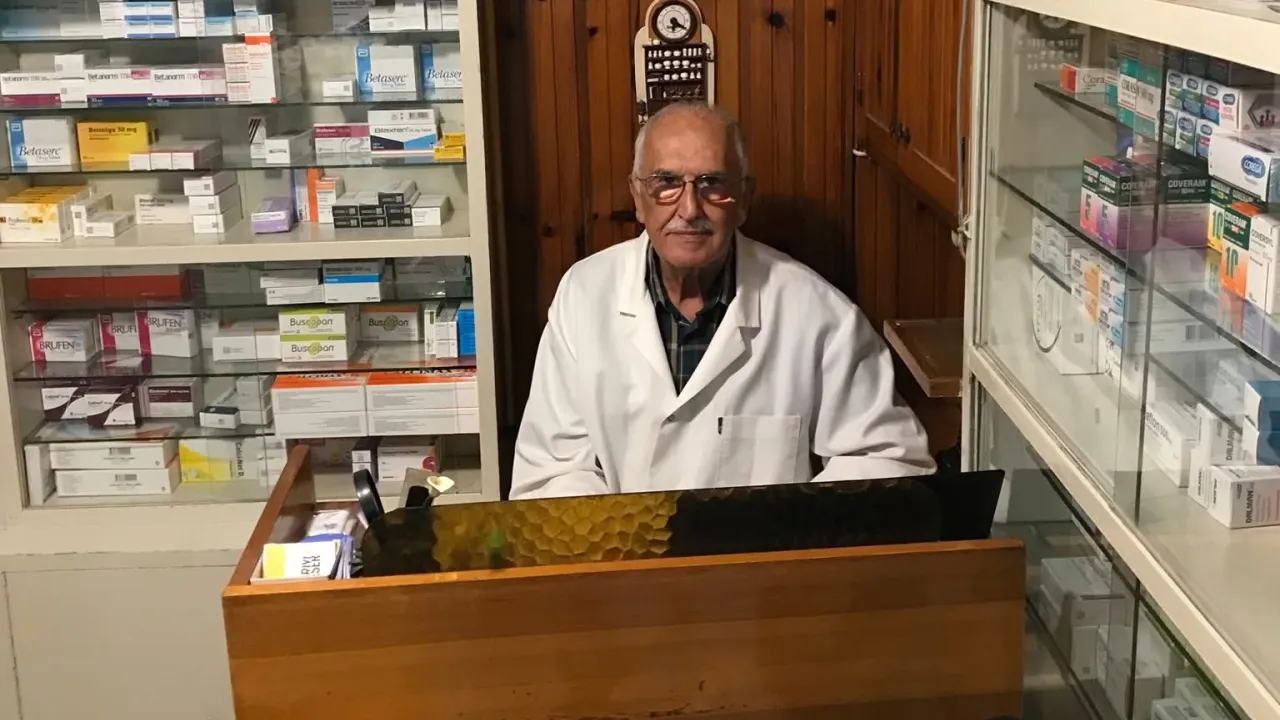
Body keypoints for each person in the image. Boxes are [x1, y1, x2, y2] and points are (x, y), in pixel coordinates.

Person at [510, 102, 933, 499]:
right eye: (666, 183)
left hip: (764, 553)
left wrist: (792, 531)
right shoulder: (583, 296)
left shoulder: (819, 313)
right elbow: (552, 471)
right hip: (621, 549)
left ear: (744, 199)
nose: (689, 209)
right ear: (638, 199)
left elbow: (890, 462)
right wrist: (621, 543)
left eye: (712, 184)